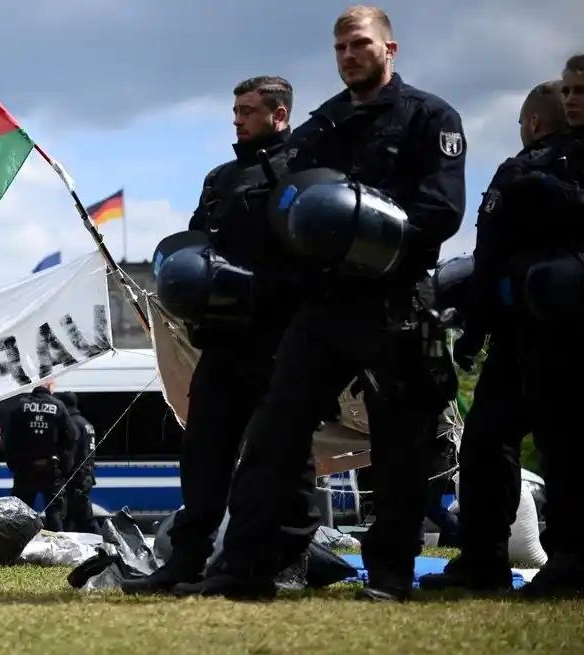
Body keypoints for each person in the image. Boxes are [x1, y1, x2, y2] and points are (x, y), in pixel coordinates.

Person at [176, 6, 467, 601]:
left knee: (397, 444)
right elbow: (286, 213)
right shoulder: (319, 129)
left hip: (393, 302)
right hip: (322, 305)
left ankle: (389, 576)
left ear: (390, 49)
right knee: (275, 434)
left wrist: (368, 236)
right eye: (339, 48)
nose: (348, 56)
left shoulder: (429, 116)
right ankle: (247, 570)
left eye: (359, 45)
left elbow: (441, 213)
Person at [126, 76, 322, 595]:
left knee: (287, 455)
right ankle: (186, 561)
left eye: (249, 110)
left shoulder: (306, 172)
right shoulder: (219, 179)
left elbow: (320, 254)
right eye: (235, 109)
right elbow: (193, 250)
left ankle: (288, 563)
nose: (237, 119)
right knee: (204, 453)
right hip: (223, 339)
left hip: (281, 339)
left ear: (279, 115)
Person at [428, 55, 584, 596]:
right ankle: (481, 559)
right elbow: (493, 250)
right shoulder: (540, 159)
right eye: (567, 91)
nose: (572, 100)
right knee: (482, 444)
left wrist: (564, 196)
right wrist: (476, 324)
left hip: (577, 330)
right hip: (516, 325)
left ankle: (573, 561)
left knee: (568, 448)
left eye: (583, 90)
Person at [6, 382, 76, 531]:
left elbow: (9, 438)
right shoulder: (58, 405)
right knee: (54, 513)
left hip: (24, 468)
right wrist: (61, 458)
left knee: (21, 513)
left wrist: (13, 464)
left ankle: (20, 547)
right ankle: (58, 550)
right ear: (50, 386)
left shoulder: (20, 406)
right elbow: (72, 436)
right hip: (51, 468)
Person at [55, 392, 97, 533]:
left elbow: (70, 453)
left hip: (75, 478)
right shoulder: (86, 423)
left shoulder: (72, 424)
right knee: (75, 518)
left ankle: (103, 546)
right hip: (86, 475)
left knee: (82, 520)